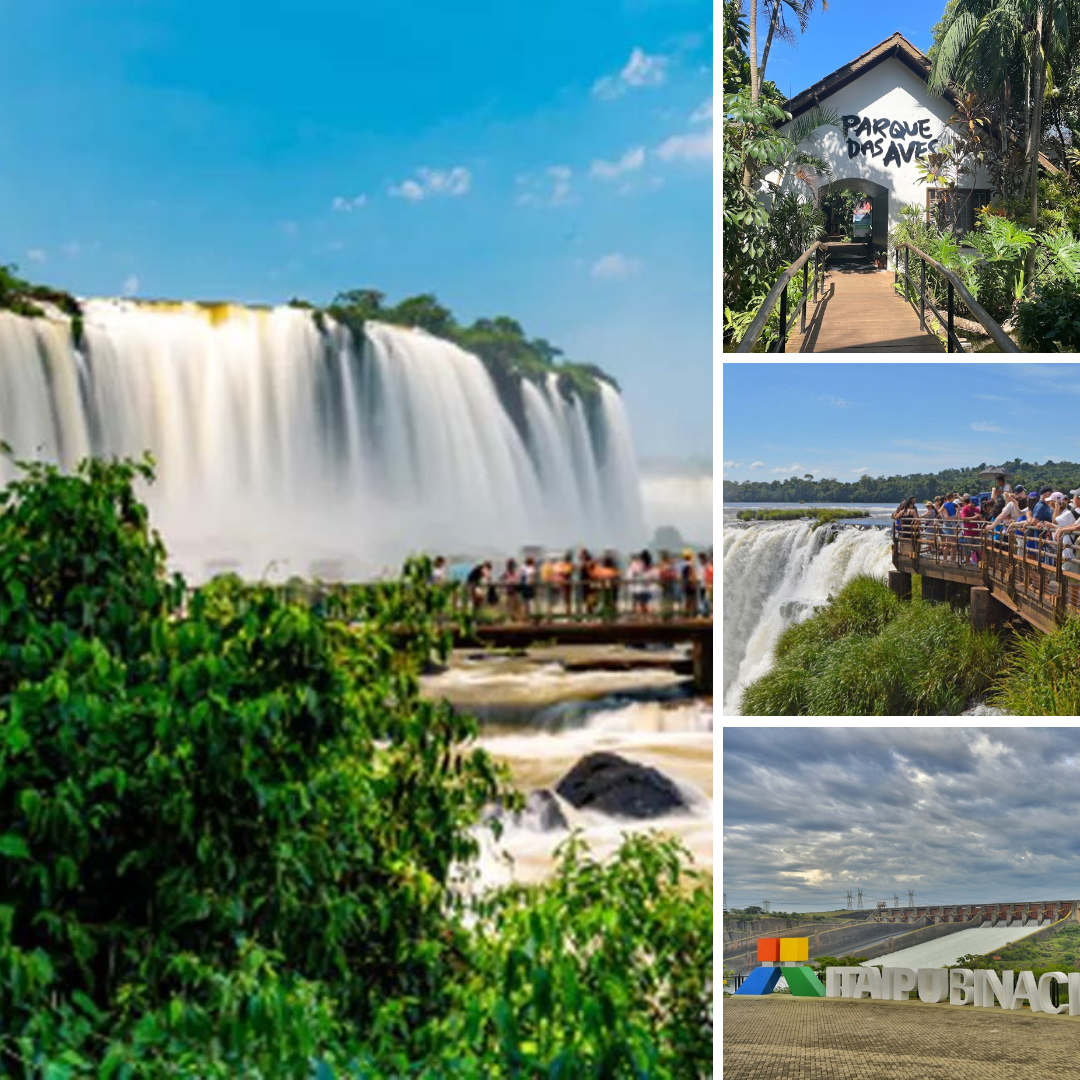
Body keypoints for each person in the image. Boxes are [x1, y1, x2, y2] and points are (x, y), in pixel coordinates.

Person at [959, 494, 982, 563]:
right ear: (970, 503)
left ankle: (975, 561)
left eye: (976, 505)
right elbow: (964, 519)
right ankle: (967, 561)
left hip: (975, 532)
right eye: (974, 504)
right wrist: (974, 517)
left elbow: (979, 519)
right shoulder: (965, 509)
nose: (975, 506)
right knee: (967, 548)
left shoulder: (977, 509)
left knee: (977, 548)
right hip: (968, 532)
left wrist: (980, 518)